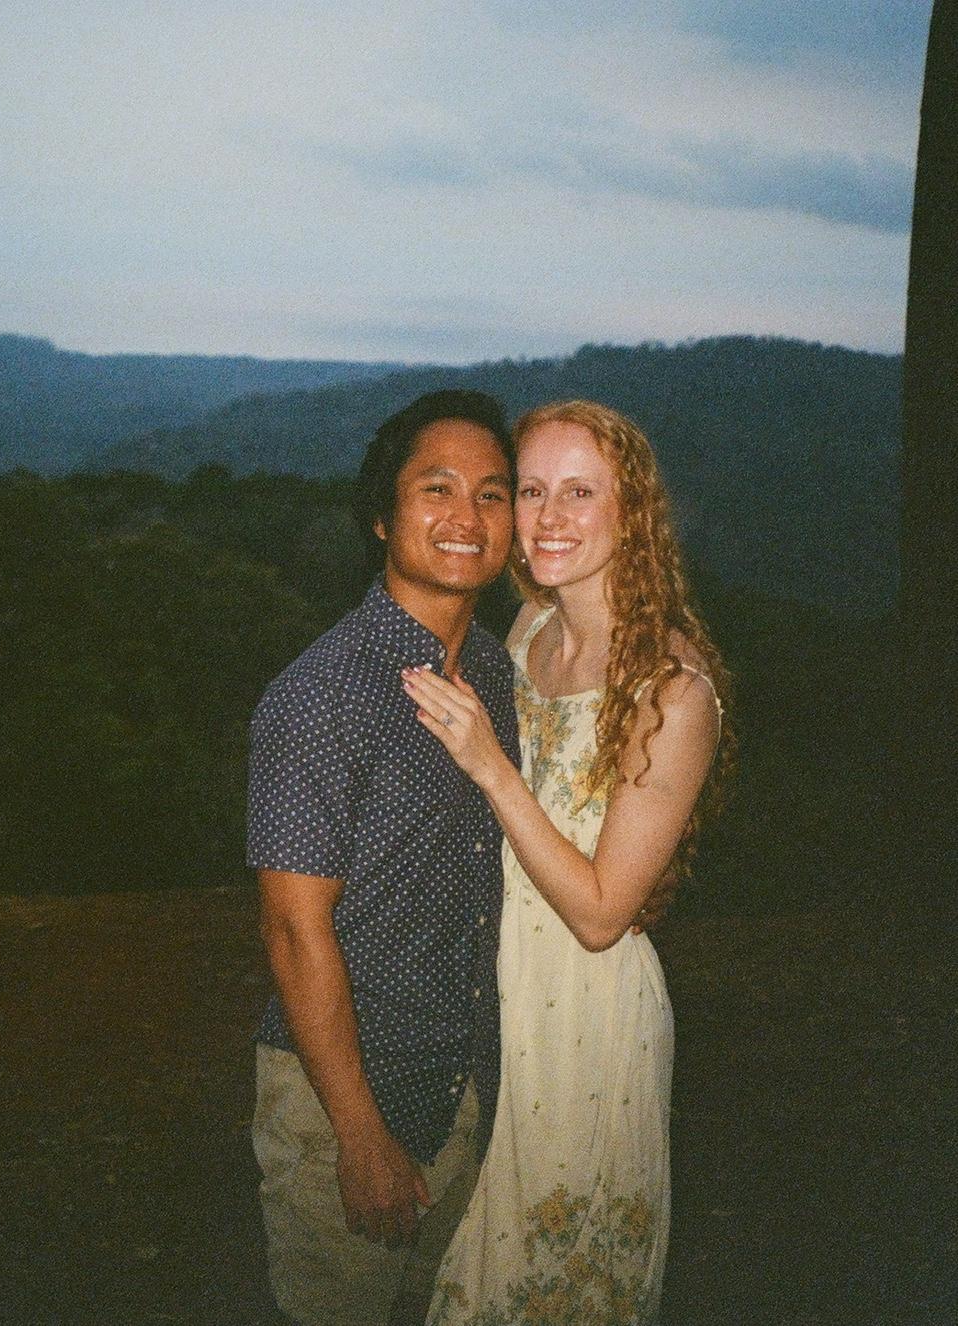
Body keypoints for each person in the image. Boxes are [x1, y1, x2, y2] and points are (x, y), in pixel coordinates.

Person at [406, 400, 733, 1326]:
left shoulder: (673, 691)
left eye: (580, 493)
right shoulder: (528, 635)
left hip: (585, 1022)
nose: (548, 518)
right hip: (492, 992)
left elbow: (601, 913)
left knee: (545, 1288)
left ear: (632, 515)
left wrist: (488, 763)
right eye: (535, 491)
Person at [247, 390, 522, 1326]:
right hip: (347, 1099)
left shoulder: (493, 675)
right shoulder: (324, 695)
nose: (466, 518)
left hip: (466, 1090)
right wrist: (357, 1134)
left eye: (493, 495)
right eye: (435, 488)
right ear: (381, 514)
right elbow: (293, 927)